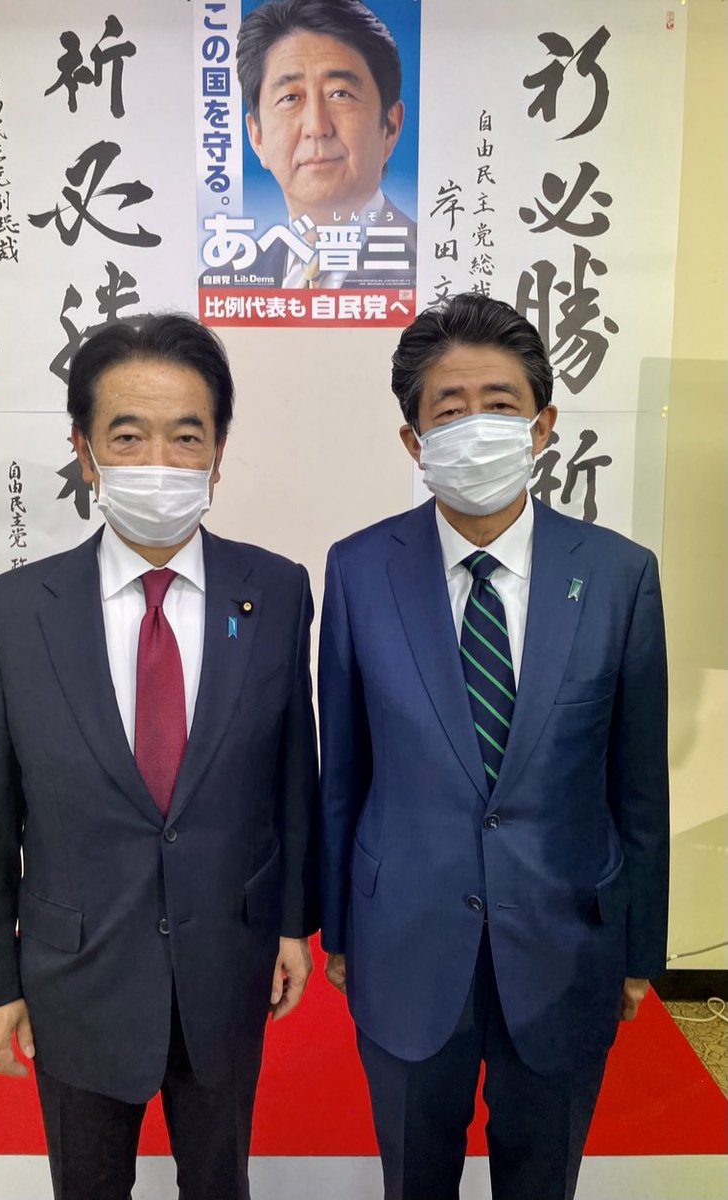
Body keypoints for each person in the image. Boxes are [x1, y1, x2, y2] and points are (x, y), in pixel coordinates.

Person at [0, 314, 319, 1200]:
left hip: (227, 965)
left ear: (218, 453)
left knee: (219, 1182)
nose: (160, 460)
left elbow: (291, 776)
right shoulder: (14, 612)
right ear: (84, 452)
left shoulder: (274, 591)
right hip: (75, 973)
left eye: (186, 436)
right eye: (128, 436)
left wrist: (291, 925)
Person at [318, 293, 669, 1199]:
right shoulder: (358, 570)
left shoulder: (620, 575)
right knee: (414, 1179)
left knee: (542, 1180)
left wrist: (640, 949)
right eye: (450, 408)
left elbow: (637, 785)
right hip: (404, 941)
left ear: (542, 425)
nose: (476, 426)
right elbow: (343, 772)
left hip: (567, 942)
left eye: (501, 403)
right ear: (414, 440)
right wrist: (339, 929)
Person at [228, 0, 416, 289]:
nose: (317, 127)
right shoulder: (227, 282)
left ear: (390, 126)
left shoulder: (432, 272)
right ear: (257, 137)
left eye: (340, 94)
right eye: (290, 97)